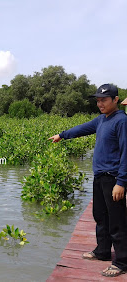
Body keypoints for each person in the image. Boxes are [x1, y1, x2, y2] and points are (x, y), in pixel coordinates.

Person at [48, 83, 127, 277]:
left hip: (113, 178)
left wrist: (122, 183)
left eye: (104, 100)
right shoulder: (101, 119)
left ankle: (122, 262)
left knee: (117, 221)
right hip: (100, 177)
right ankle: (102, 251)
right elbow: (83, 129)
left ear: (115, 100)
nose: (100, 104)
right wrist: (62, 135)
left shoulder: (122, 121)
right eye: (98, 100)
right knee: (100, 216)